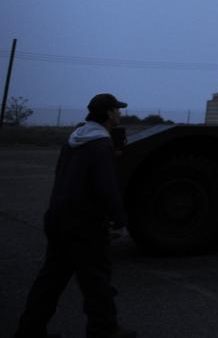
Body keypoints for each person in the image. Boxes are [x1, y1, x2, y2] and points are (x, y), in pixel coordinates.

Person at [13, 93, 137, 338]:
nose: (120, 113)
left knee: (50, 280)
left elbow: (61, 175)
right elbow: (106, 187)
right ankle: (104, 330)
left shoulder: (73, 141)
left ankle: (30, 330)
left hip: (58, 219)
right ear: (110, 114)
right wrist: (119, 218)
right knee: (97, 281)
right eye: (117, 109)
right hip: (85, 225)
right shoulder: (101, 145)